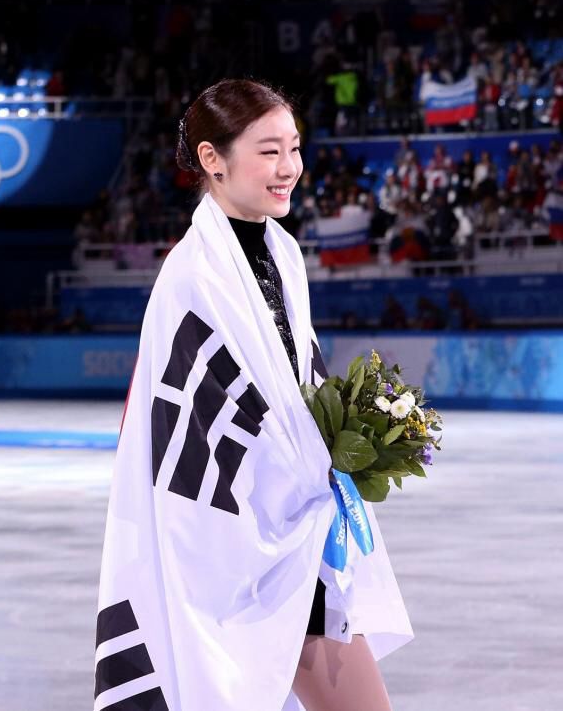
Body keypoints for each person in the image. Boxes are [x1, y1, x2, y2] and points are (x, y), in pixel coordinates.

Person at [94, 79, 412, 711]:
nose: (289, 167)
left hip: (296, 536)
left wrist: (351, 442)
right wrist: (308, 469)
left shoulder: (282, 251)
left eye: (294, 147)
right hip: (234, 546)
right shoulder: (191, 276)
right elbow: (199, 430)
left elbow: (296, 386)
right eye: (269, 151)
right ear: (213, 160)